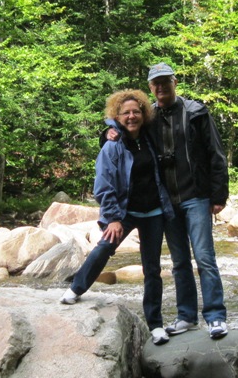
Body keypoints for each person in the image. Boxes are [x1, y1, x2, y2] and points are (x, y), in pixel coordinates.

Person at [109, 63, 230, 338]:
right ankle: (187, 316)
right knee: (179, 262)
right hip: (167, 202)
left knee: (204, 258)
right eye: (156, 83)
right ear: (151, 87)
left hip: (196, 196)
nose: (161, 87)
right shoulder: (148, 117)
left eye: (166, 81)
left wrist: (219, 194)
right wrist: (107, 133)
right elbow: (124, 127)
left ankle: (215, 317)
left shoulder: (196, 112)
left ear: (175, 82)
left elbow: (216, 154)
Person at [60, 89, 175, 346]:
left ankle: (156, 325)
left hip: (154, 213)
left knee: (152, 269)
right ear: (117, 116)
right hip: (124, 213)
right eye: (126, 113)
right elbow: (103, 185)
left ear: (143, 114)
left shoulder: (150, 138)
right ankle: (75, 289)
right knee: (105, 247)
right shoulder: (112, 146)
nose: (132, 116)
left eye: (136, 111)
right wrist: (112, 218)